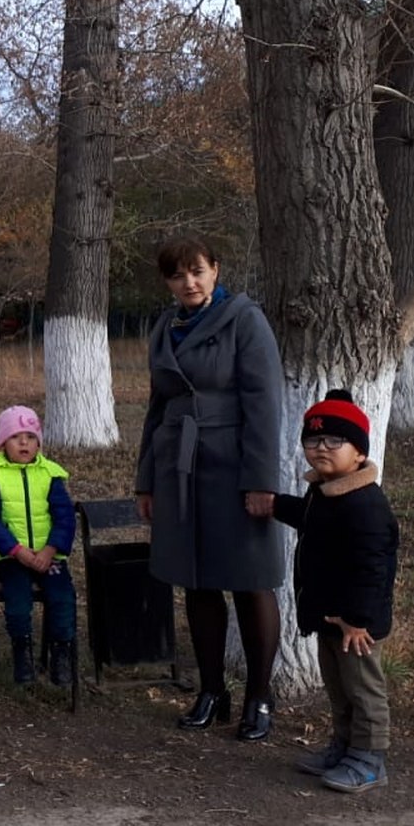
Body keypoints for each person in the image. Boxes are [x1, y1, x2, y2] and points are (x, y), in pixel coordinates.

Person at [136, 234, 285, 741]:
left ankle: (259, 697)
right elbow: (157, 408)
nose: (189, 283)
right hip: (178, 468)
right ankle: (212, 691)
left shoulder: (245, 320)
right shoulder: (166, 326)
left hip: (234, 467)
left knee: (250, 580)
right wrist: (146, 481)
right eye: (177, 275)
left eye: (197, 271)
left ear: (215, 270)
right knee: (195, 580)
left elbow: (264, 404)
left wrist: (261, 481)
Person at [272, 391, 399, 793]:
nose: (321, 448)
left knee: (363, 690)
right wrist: (274, 505)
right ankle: (344, 747)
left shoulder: (365, 504)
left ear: (358, 453)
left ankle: (369, 758)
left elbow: (372, 569)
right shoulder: (324, 492)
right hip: (330, 616)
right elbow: (310, 520)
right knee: (339, 688)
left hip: (357, 625)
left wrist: (358, 620)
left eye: (334, 441)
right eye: (312, 440)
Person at [0, 406, 76, 688]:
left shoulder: (50, 474)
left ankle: (61, 652)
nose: (24, 443)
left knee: (62, 598)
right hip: (12, 558)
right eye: (15, 437)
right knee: (18, 603)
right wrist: (16, 550)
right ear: (3, 443)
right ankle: (22, 652)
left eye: (31, 437)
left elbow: (65, 517)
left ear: (38, 443)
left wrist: (50, 550)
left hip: (49, 555)